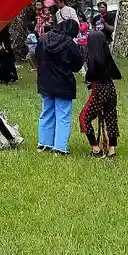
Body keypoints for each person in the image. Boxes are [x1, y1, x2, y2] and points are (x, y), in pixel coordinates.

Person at [35, 19, 83, 154]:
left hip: (45, 81)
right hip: (64, 83)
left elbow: (37, 57)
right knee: (63, 115)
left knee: (46, 112)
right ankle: (60, 147)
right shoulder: (69, 44)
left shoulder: (43, 39)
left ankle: (44, 143)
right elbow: (77, 65)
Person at [79, 27, 122, 159]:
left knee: (84, 118)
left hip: (98, 89)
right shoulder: (107, 56)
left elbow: (90, 76)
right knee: (110, 117)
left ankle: (95, 147)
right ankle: (111, 149)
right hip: (110, 88)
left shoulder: (91, 58)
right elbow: (117, 75)